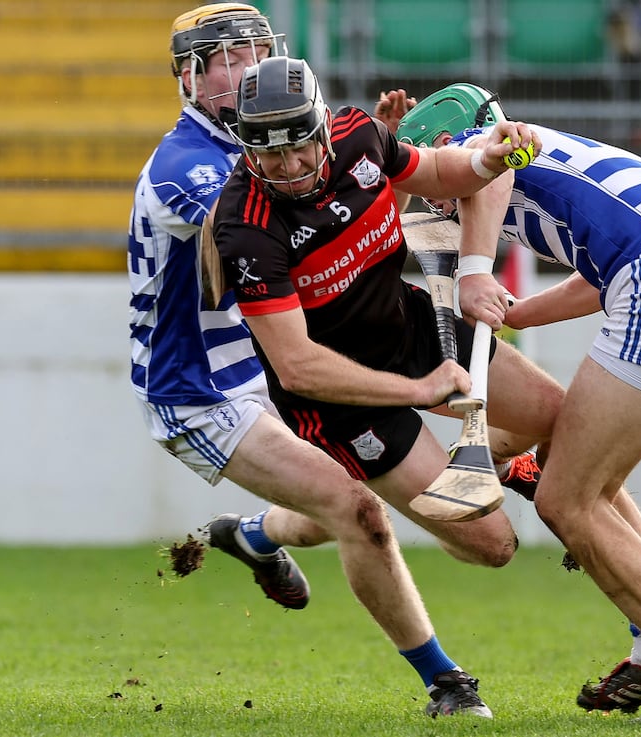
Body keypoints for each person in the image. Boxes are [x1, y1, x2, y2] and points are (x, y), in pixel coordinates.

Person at [128, 6, 497, 718]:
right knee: (355, 504)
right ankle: (445, 681)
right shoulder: (189, 168)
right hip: (199, 391)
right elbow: (300, 219)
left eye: (253, 52)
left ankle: (255, 534)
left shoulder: (281, 137)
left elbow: (333, 197)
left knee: (356, 490)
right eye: (220, 60)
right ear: (188, 78)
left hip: (267, 358)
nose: (240, 72)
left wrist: (379, 149)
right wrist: (373, 160)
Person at [394, 83, 641, 725]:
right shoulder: (552, 158)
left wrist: (477, 272)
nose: (432, 191)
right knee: (584, 479)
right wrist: (520, 312)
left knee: (567, 499)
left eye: (430, 167)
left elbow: (491, 165)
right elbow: (598, 271)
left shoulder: (496, 145)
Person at [210, 55, 563, 572]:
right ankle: (262, 531)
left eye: (298, 147)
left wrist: (487, 160)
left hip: (410, 329)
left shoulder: (359, 134)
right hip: (341, 401)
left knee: (556, 414)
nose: (286, 168)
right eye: (269, 155)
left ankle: (492, 464)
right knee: (495, 546)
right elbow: (298, 366)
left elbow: (437, 171)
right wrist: (418, 392)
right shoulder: (245, 226)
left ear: (322, 128)